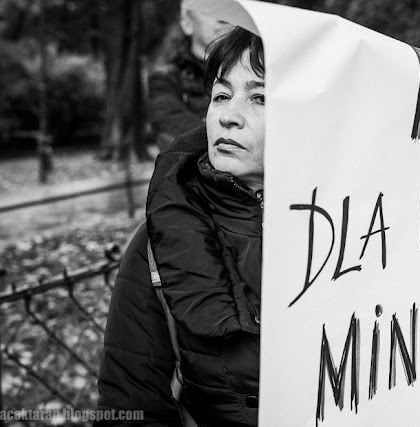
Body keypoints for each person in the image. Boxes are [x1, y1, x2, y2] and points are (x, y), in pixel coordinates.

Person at [97, 27, 264, 426]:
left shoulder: (370, 231)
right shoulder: (161, 240)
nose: (227, 115)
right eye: (221, 95)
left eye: (259, 98)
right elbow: (130, 408)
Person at [147, 1, 231, 151]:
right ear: (187, 22)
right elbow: (171, 128)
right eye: (211, 7)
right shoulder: (166, 78)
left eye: (230, 7)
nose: (223, 17)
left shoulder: (260, 72)